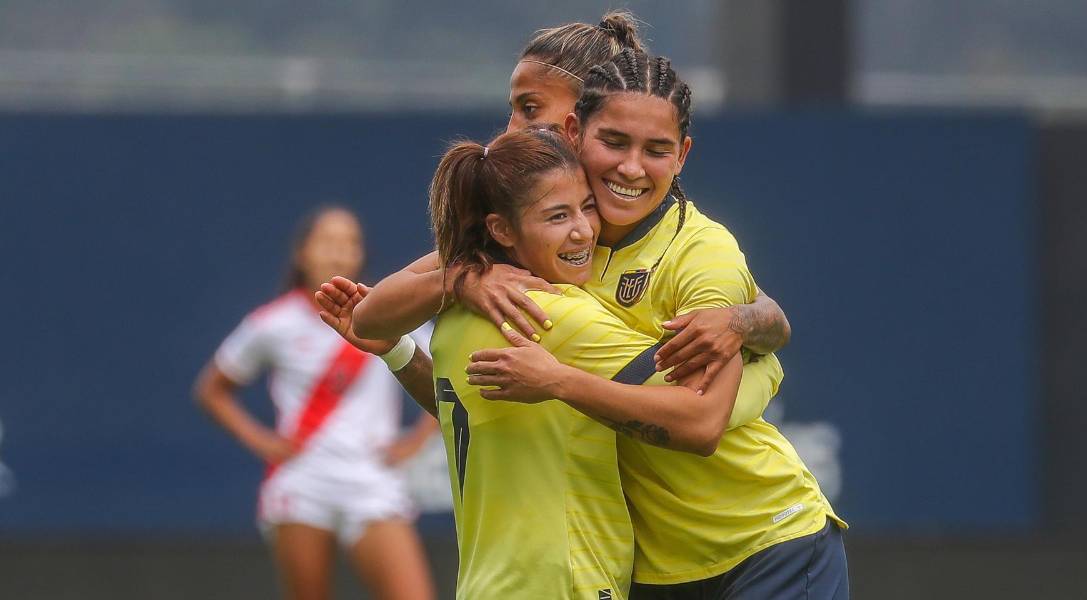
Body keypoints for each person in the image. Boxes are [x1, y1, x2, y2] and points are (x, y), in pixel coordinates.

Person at [353, 50, 849, 599]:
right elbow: (371, 316)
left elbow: (704, 419)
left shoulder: (699, 251)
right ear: (577, 132)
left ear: (682, 155)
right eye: (615, 142)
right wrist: (461, 278)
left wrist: (752, 332)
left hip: (763, 538)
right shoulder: (537, 249)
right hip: (661, 567)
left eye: (655, 149)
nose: (632, 167)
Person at [389, 125, 744, 599]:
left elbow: (372, 316)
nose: (583, 230)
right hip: (565, 584)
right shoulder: (554, 314)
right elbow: (699, 419)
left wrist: (399, 345)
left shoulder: (453, 313)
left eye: (587, 207)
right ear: (502, 230)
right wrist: (736, 325)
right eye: (557, 216)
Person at [193, 206, 437, 600]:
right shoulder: (273, 323)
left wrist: (416, 441)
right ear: (302, 253)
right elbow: (212, 389)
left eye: (349, 243)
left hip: (372, 480)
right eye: (327, 242)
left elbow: (444, 376)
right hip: (302, 482)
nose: (338, 253)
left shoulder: (386, 307)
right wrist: (263, 441)